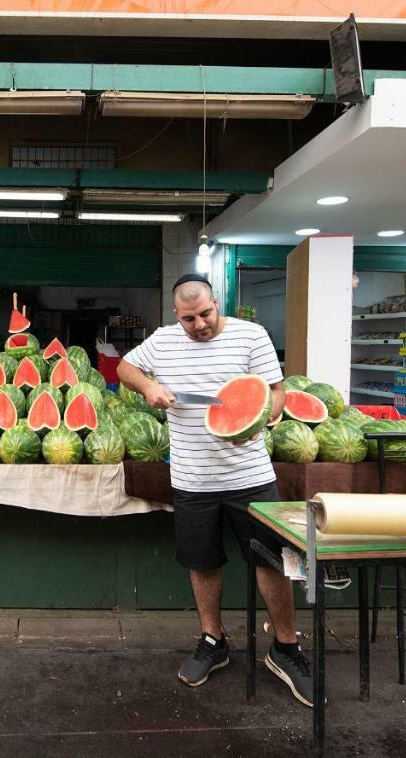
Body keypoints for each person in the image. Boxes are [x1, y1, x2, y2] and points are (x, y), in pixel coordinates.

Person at [117, 273, 313, 705]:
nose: (199, 324)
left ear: (215, 302)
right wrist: (148, 385)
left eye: (205, 313)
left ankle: (286, 648)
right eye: (189, 319)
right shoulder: (164, 341)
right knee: (202, 563)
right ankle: (213, 641)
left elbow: (277, 393)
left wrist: (260, 420)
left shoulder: (251, 335)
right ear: (176, 315)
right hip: (191, 478)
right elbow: (124, 367)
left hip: (251, 476)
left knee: (274, 563)